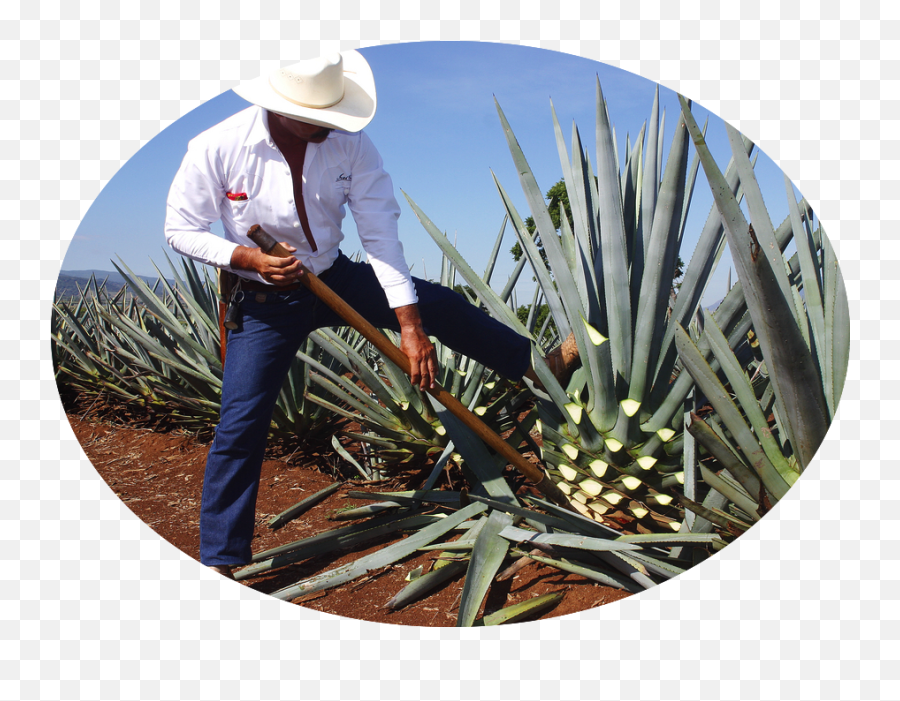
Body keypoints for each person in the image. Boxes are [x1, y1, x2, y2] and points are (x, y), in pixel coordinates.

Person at [165, 51, 578, 579]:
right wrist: (247, 259)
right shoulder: (217, 147)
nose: (329, 124)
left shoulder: (350, 143)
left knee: (443, 306)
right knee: (241, 423)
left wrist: (411, 325)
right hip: (265, 299)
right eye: (317, 115)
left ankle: (531, 366)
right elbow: (180, 228)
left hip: (333, 277)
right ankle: (222, 561)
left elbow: (380, 235)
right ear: (281, 105)